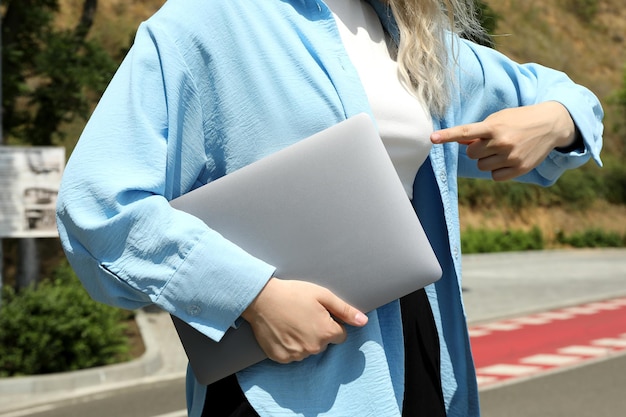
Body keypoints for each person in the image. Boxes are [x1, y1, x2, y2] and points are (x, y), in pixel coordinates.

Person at [56, 0, 603, 416]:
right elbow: (99, 203)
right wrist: (251, 295)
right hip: (282, 376)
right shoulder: (207, 18)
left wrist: (554, 120)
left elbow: (567, 98)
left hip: (420, 350)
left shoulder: (408, 30)